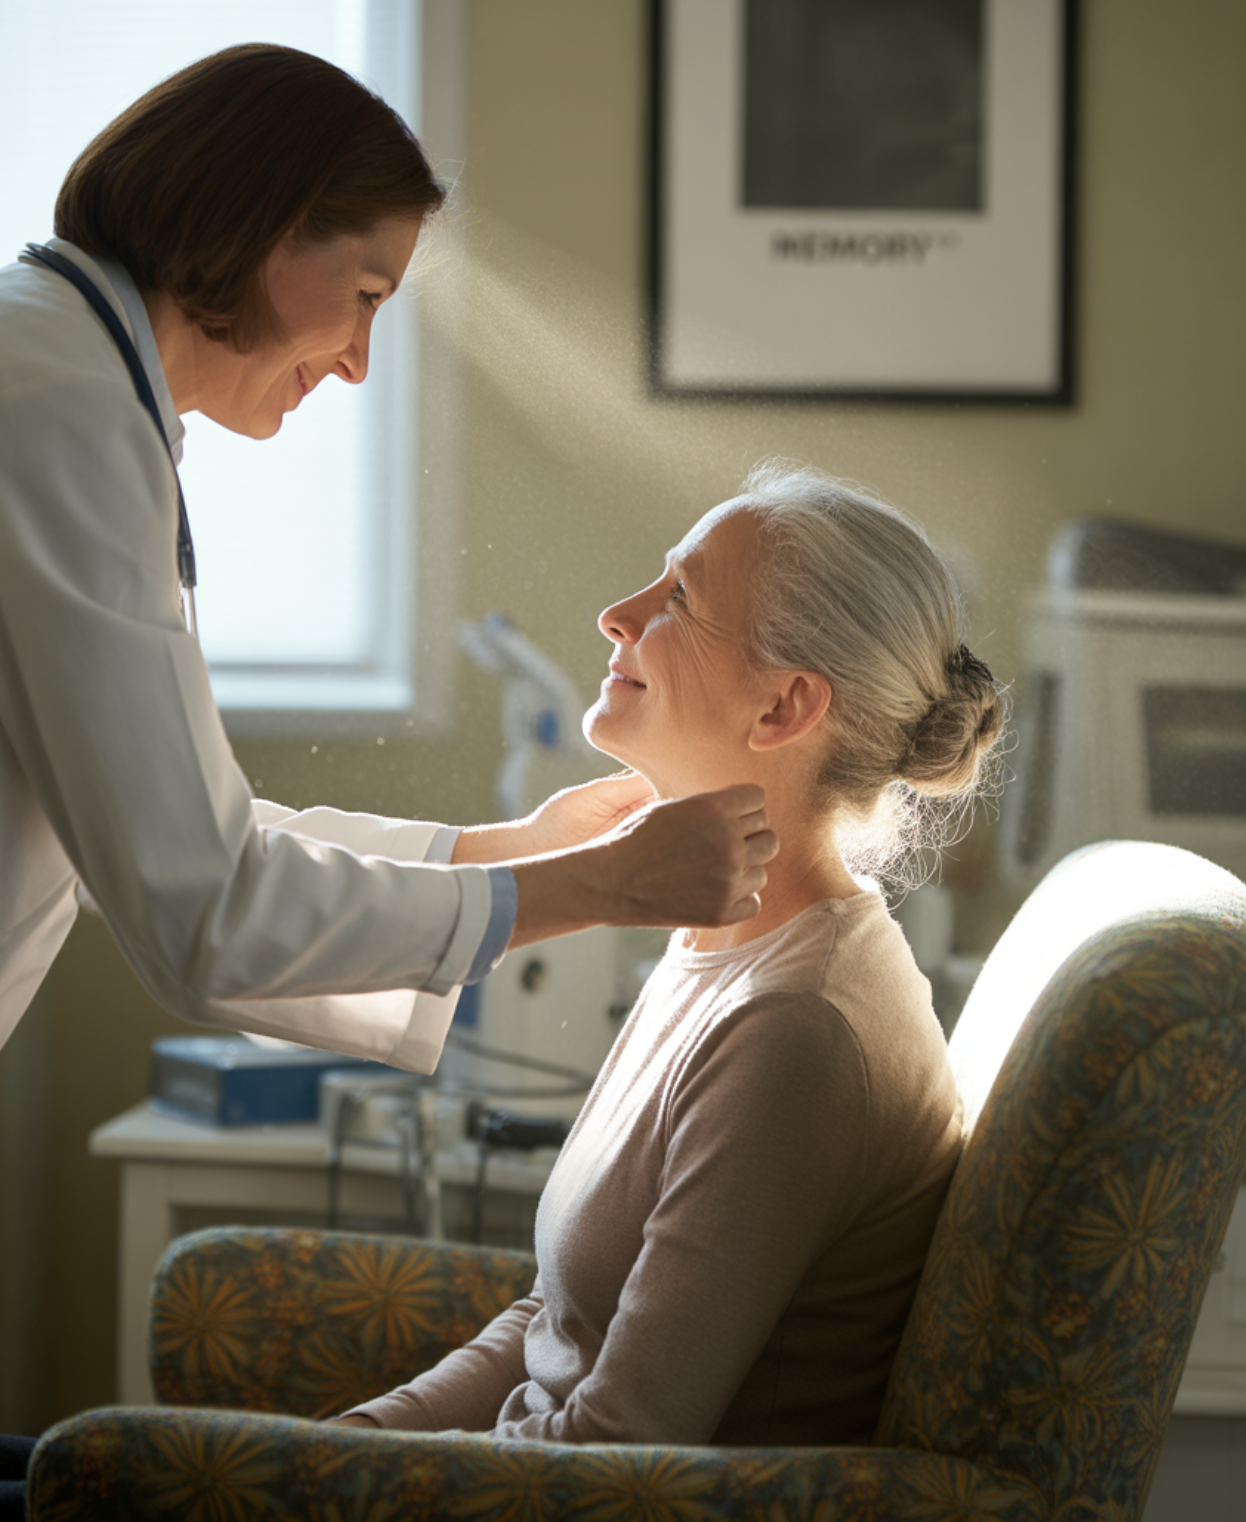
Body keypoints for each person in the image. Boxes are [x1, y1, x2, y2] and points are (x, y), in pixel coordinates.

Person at [0, 44, 776, 1070]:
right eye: (366, 293)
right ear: (264, 227)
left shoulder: (61, 375)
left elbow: (152, 833)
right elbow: (202, 913)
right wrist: (601, 885)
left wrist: (521, 852)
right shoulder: (67, 416)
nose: (360, 362)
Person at [334, 461, 1005, 1446]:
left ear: (782, 709)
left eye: (678, 598)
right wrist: (340, 1448)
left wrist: (314, 1485)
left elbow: (617, 1451)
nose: (617, 613)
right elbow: (557, 1324)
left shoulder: (795, 1028)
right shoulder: (723, 942)